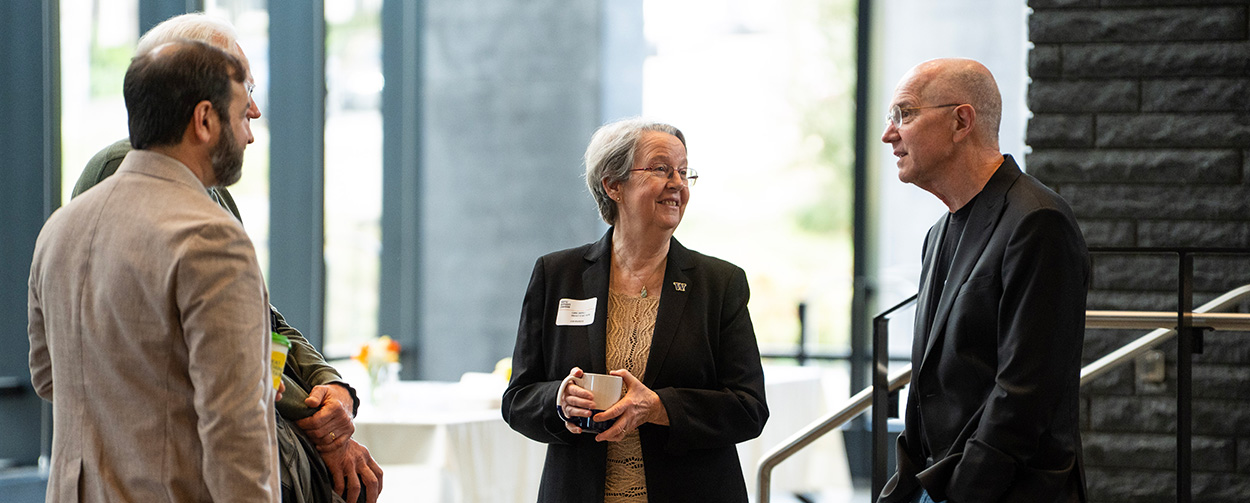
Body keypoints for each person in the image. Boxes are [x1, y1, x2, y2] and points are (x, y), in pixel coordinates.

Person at [69, 13, 382, 503]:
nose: (255, 110)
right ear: (199, 100)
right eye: (242, 87)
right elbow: (203, 360)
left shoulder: (208, 193)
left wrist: (330, 386)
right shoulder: (119, 174)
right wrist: (319, 421)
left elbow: (261, 322)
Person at [28, 39, 278, 502]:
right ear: (204, 120)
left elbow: (47, 377)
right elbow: (235, 432)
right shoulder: (211, 237)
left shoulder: (59, 229)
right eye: (243, 112)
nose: (250, 132)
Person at [502, 118, 769, 502]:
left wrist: (658, 407)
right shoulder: (557, 275)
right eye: (661, 168)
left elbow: (749, 408)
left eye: (683, 171)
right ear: (613, 185)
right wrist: (558, 400)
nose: (677, 183)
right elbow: (518, 399)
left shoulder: (719, 283)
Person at [876, 58, 1090, 503]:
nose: (888, 134)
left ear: (961, 121)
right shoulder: (937, 234)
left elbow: (1023, 396)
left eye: (905, 114)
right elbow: (928, 387)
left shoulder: (1038, 221)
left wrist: (961, 494)